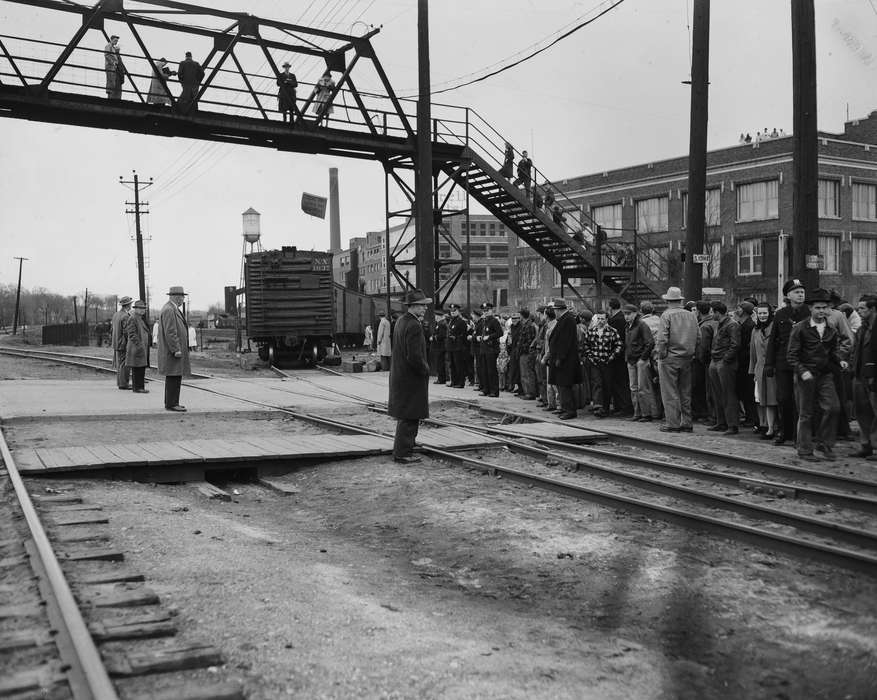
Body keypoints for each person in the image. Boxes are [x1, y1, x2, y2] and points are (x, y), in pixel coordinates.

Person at [787, 288, 847, 461]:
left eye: (824, 308)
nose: (821, 311)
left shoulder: (831, 329)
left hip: (825, 375)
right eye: (818, 308)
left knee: (833, 408)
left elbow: (833, 352)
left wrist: (840, 360)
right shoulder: (800, 329)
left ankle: (825, 444)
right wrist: (802, 371)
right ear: (811, 309)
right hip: (805, 376)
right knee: (806, 414)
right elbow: (791, 356)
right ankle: (805, 450)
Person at [388, 288, 432, 464]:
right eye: (422, 306)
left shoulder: (401, 321)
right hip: (411, 377)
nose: (425, 309)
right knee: (410, 415)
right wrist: (425, 369)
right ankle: (403, 453)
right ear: (413, 306)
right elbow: (414, 355)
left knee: (407, 413)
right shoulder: (414, 325)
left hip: (401, 376)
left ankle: (408, 446)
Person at [765, 279, 810, 446]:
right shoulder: (780, 315)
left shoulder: (809, 312)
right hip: (783, 363)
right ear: (788, 295)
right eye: (797, 292)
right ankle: (785, 432)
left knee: (801, 401)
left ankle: (800, 436)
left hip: (803, 364)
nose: (801, 295)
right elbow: (773, 341)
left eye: (802, 292)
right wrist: (769, 364)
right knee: (783, 399)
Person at [655, 286, 700, 433]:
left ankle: (672, 423)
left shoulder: (666, 315)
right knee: (685, 392)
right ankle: (687, 422)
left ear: (668, 300)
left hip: (670, 358)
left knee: (670, 392)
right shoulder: (691, 315)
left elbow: (662, 339)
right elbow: (698, 337)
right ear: (680, 300)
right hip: (687, 358)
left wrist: (661, 355)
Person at [708, 301, 741, 435]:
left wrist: (725, 359)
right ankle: (721, 422)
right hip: (717, 360)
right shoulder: (721, 324)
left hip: (724, 362)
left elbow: (735, 345)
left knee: (728, 394)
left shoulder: (732, 324)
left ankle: (732, 424)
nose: (711, 314)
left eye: (712, 312)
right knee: (717, 393)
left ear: (717, 312)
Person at [546, 299, 581, 420]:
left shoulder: (568, 320)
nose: (554, 312)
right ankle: (566, 408)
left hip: (566, 360)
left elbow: (565, 341)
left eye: (555, 310)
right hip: (561, 359)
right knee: (561, 385)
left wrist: (560, 357)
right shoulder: (564, 319)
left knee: (565, 385)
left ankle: (570, 410)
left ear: (559, 310)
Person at [851, 296, 877, 459]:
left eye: (862, 308)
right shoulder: (862, 328)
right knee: (862, 412)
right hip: (860, 376)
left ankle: (875, 447)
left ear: (873, 309)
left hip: (873, 377)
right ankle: (865, 444)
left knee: (876, 412)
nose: (859, 311)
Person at [157, 286, 191, 412]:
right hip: (173, 352)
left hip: (173, 351)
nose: (183, 299)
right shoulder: (169, 310)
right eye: (182, 296)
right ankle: (172, 404)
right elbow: (170, 332)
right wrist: (176, 349)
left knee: (175, 376)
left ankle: (172, 402)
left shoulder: (171, 309)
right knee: (173, 376)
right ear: (176, 297)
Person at [623, 303, 657, 422]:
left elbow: (650, 342)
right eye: (625, 314)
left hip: (639, 360)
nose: (626, 316)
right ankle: (637, 413)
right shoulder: (629, 326)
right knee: (634, 388)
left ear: (635, 313)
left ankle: (646, 414)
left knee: (642, 388)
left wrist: (642, 358)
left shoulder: (641, 325)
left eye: (628, 314)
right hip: (633, 360)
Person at [585, 311, 622, 418]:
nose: (600, 321)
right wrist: (591, 357)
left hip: (607, 362)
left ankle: (605, 408)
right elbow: (586, 345)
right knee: (597, 383)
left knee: (607, 384)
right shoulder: (591, 331)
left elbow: (619, 345)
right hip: (595, 362)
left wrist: (612, 356)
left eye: (602, 319)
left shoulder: (612, 331)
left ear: (606, 320)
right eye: (599, 319)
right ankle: (598, 407)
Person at [750, 303, 778, 439]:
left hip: (773, 369)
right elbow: (753, 354)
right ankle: (765, 425)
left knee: (772, 400)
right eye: (760, 313)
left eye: (764, 313)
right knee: (761, 399)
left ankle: (772, 428)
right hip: (760, 370)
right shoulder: (755, 331)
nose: (762, 316)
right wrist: (753, 371)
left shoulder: (775, 328)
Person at [607, 298, 632, 416]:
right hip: (623, 354)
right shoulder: (623, 318)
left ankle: (623, 407)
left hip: (617, 355)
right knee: (623, 381)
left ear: (610, 308)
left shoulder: (614, 320)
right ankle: (622, 406)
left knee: (618, 382)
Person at [736, 301, 758, 428]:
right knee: (745, 391)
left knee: (748, 392)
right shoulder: (744, 324)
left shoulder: (749, 326)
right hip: (743, 362)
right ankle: (750, 416)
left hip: (745, 363)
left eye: (739, 307)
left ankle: (751, 417)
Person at [125, 300, 151, 394]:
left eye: (144, 308)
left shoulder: (139, 318)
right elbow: (132, 334)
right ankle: (137, 388)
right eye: (140, 308)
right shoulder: (133, 318)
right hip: (137, 348)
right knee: (137, 368)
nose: (143, 310)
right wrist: (139, 345)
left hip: (140, 347)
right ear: (136, 309)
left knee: (141, 367)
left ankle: (139, 387)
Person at [478, 302, 503, 397]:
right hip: (484, 348)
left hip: (491, 349)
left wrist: (489, 337)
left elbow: (500, 333)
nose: (485, 312)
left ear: (491, 310)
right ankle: (486, 389)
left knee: (491, 370)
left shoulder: (494, 321)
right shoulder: (485, 321)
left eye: (487, 310)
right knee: (484, 370)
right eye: (484, 311)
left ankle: (494, 390)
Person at [111, 296, 133, 389]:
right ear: (127, 305)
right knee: (124, 364)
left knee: (120, 364)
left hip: (116, 342)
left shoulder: (116, 314)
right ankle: (124, 384)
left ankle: (120, 383)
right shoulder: (125, 316)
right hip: (123, 343)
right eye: (130, 303)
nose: (131, 305)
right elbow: (126, 331)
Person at [517, 308, 538, 400]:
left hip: (526, 353)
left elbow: (529, 341)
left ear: (522, 315)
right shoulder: (525, 325)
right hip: (524, 352)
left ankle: (530, 393)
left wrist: (522, 348)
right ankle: (527, 392)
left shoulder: (529, 326)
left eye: (520, 315)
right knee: (525, 373)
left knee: (527, 373)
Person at [446, 304, 468, 388]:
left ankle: (460, 382)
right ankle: (454, 381)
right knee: (452, 365)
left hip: (458, 347)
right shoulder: (451, 321)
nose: (452, 312)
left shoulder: (461, 321)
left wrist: (456, 337)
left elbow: (464, 335)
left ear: (458, 311)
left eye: (454, 311)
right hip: (451, 346)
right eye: (451, 311)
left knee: (459, 365)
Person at [430, 307, 448, 385]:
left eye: (436, 317)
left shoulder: (441, 324)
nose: (435, 318)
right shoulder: (439, 324)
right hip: (438, 346)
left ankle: (441, 379)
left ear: (440, 317)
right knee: (439, 363)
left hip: (440, 347)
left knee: (440, 363)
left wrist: (433, 337)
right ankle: (441, 378)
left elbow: (441, 335)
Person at [104, 35, 124, 99]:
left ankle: (111, 93)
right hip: (110, 66)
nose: (116, 42)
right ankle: (110, 93)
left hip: (113, 66)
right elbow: (107, 55)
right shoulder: (108, 46)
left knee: (113, 80)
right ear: (111, 40)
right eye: (115, 40)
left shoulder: (112, 47)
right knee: (111, 80)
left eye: (117, 41)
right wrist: (113, 63)